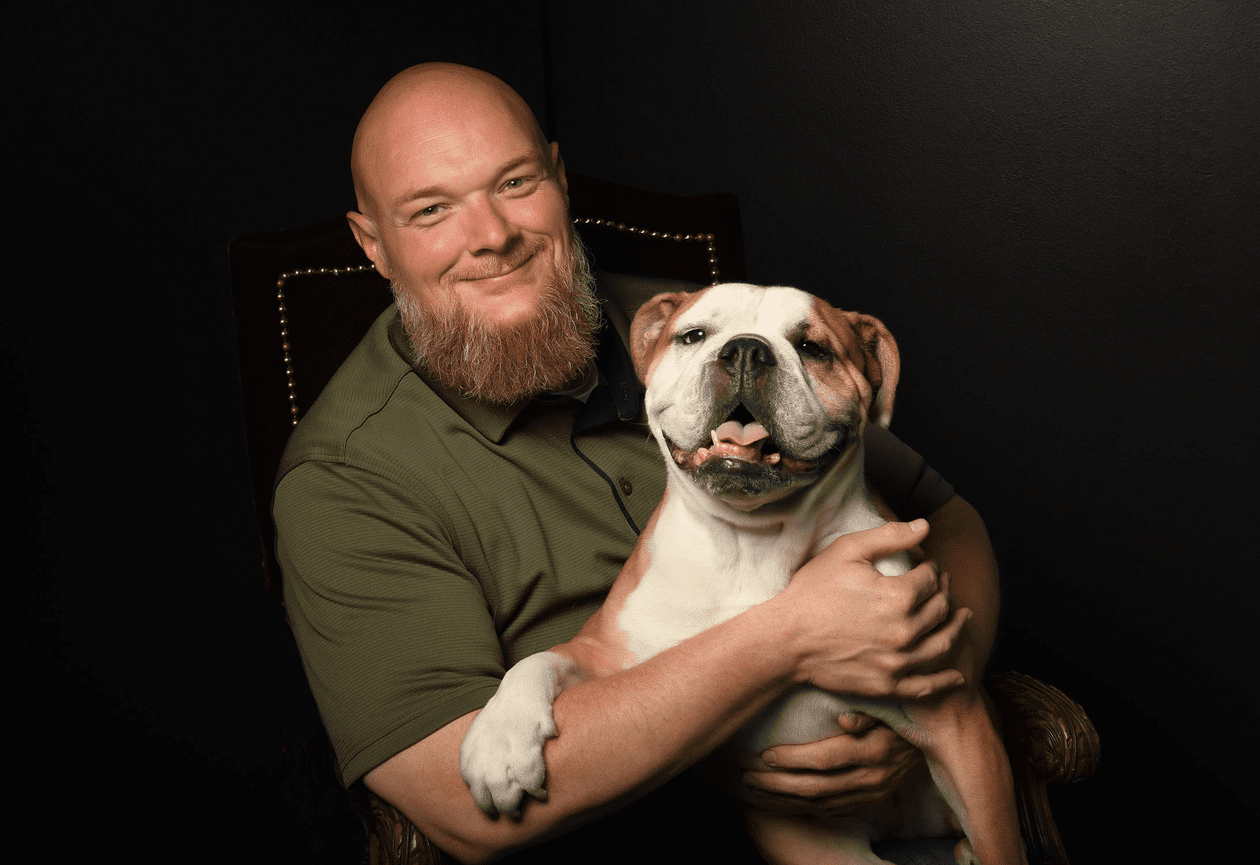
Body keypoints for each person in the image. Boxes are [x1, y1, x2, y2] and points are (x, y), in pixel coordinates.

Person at [275, 62, 1001, 864]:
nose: (490, 235)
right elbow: (461, 803)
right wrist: (791, 637)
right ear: (371, 243)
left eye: (515, 182)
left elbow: (949, 517)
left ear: (559, 178)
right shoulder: (347, 476)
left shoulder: (703, 332)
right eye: (432, 210)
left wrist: (926, 692)